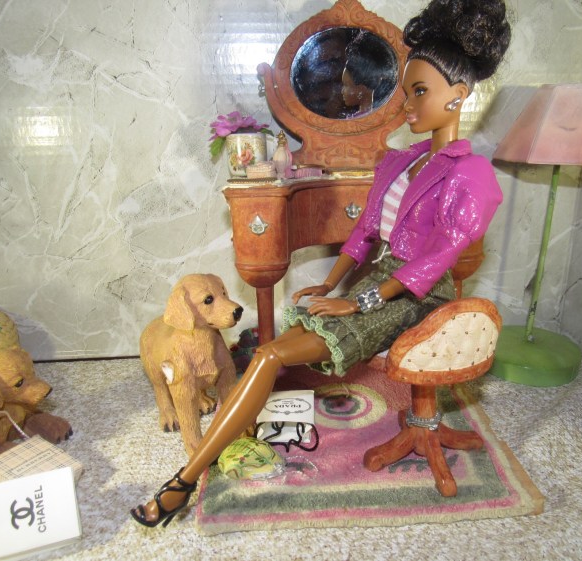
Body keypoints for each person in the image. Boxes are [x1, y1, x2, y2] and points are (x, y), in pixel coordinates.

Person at [131, 0, 511, 528]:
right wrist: (330, 284)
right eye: (406, 92)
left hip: (422, 294)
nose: (408, 105)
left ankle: (182, 482)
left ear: (460, 94)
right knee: (269, 354)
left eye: (420, 92)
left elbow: (438, 258)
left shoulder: (471, 175)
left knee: (271, 355)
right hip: (380, 281)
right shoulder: (401, 161)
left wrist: (361, 300)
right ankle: (190, 475)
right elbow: (364, 233)